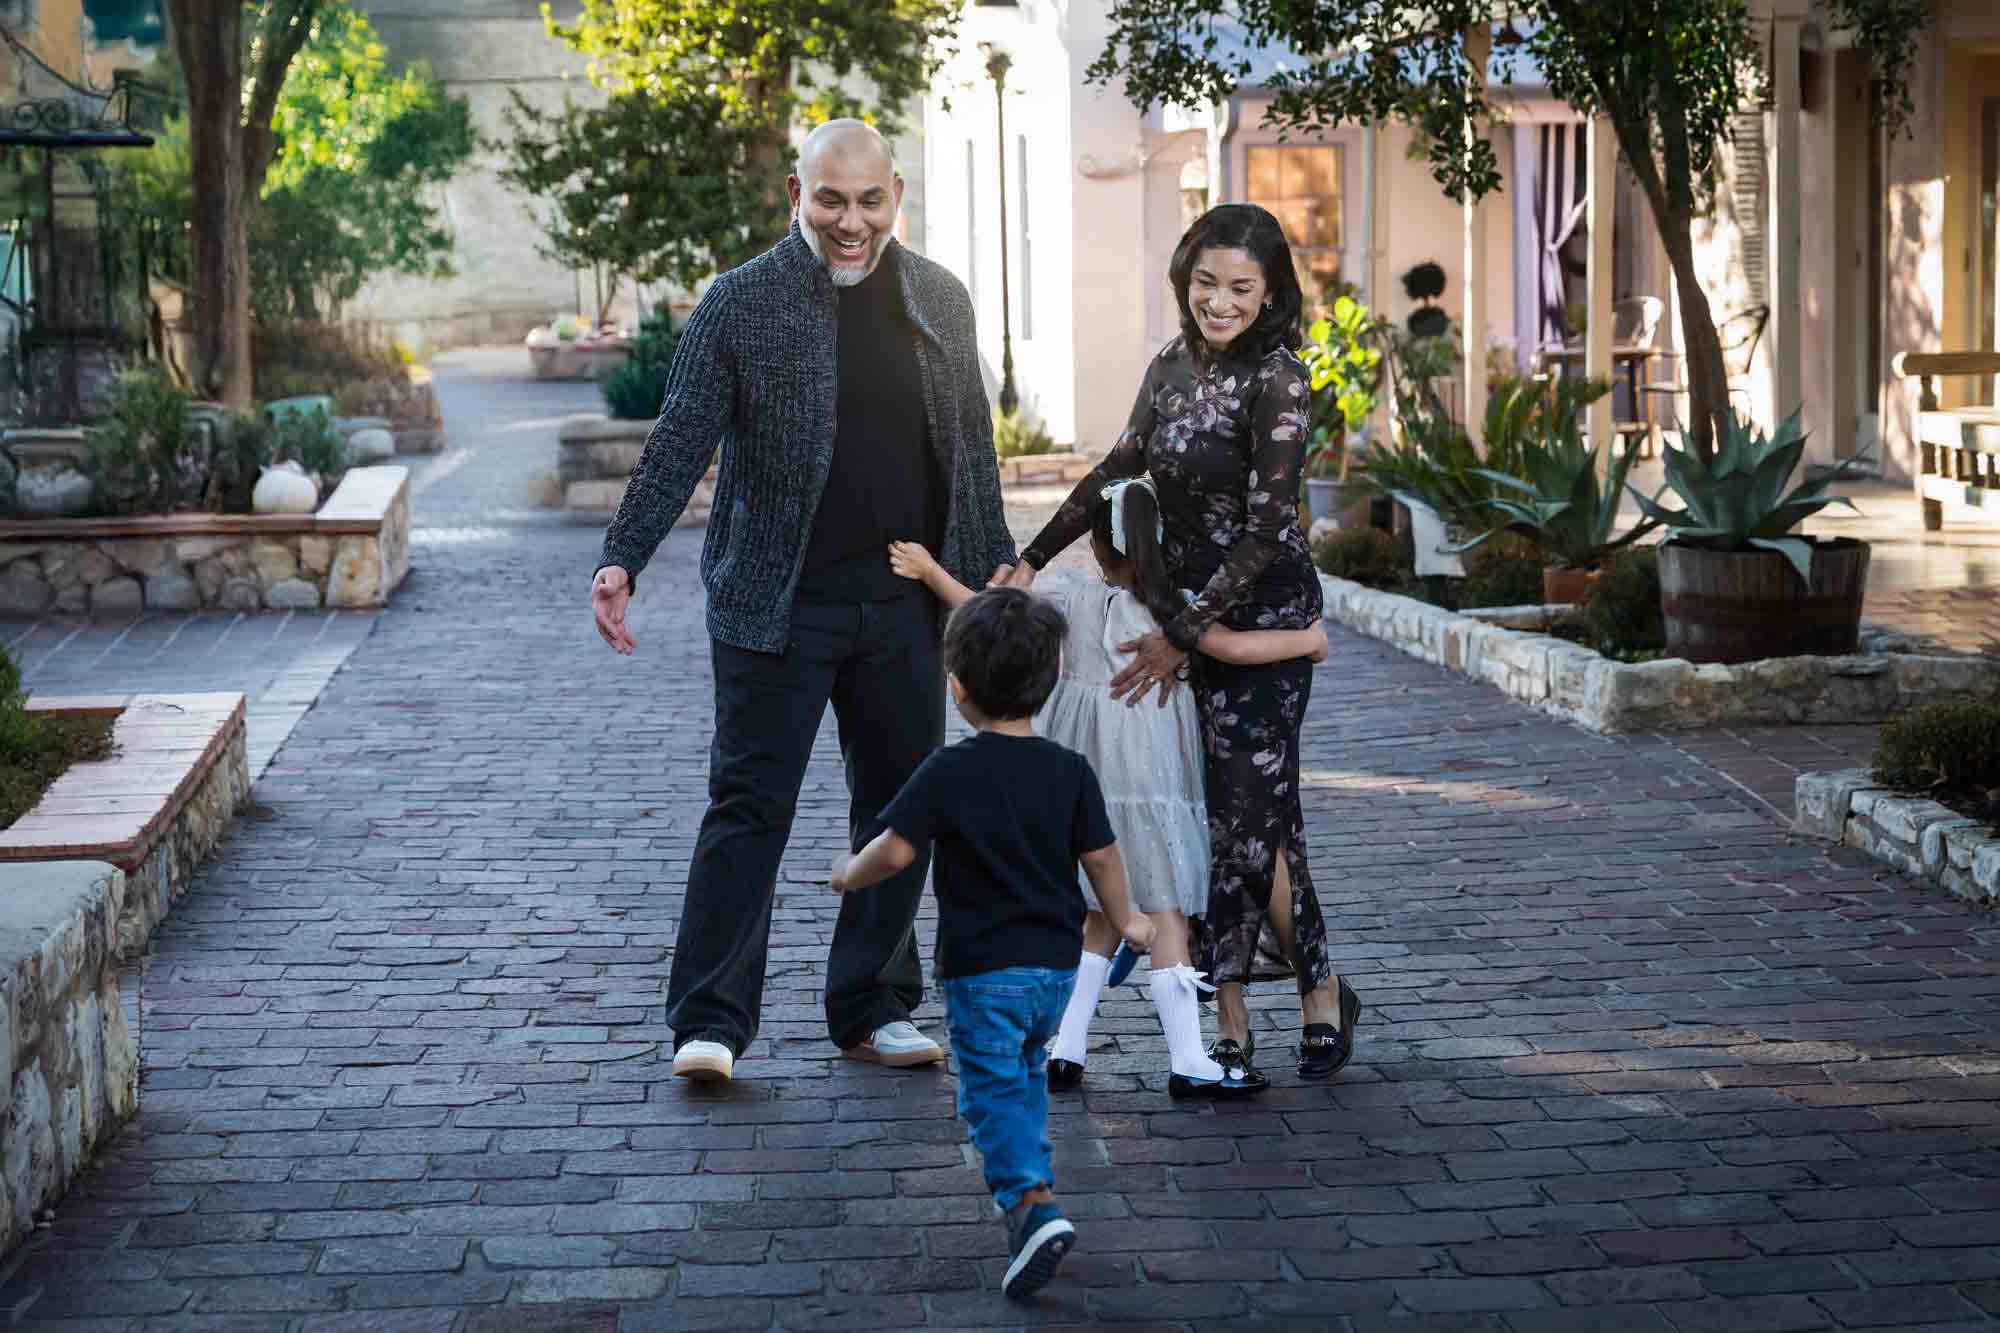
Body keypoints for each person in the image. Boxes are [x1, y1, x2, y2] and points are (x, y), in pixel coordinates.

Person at [589, 120, 1018, 1084]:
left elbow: (973, 452)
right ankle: (710, 1020)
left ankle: (873, 1005)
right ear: (797, 193)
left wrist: (993, 578)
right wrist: (623, 558)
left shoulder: (940, 300)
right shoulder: (741, 302)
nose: (850, 221)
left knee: (899, 809)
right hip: (773, 604)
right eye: (831, 200)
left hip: (905, 603)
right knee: (748, 807)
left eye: (869, 201)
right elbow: (680, 438)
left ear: (896, 198)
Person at [998, 203, 1362, 1083]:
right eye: (1206, 282)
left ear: (1270, 293)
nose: (1220, 301)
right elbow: (1117, 469)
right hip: (1175, 613)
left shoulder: (1279, 380)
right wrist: (1032, 557)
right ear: (1184, 279)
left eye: (1241, 286)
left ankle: (1257, 1005)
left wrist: (1187, 634)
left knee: (1247, 820)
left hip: (1256, 618)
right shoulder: (1169, 368)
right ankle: (1293, 990)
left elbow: (1272, 527)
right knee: (1227, 818)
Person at [888, 478, 1327, 1100]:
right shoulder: (1180, 612)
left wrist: (931, 571)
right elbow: (1234, 646)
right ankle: (1190, 1061)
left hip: (1091, 788)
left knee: (1098, 917)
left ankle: (1064, 1050)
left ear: (1098, 549)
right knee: (1166, 913)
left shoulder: (1073, 603)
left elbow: (988, 617)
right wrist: (1310, 641)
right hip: (1154, 788)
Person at [831, 588, 1155, 1299]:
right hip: (1054, 972)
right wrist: (1127, 921)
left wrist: (847, 873)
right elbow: (1102, 858)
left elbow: (892, 851)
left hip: (984, 971)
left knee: (988, 1091)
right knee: (1025, 1074)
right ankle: (1033, 1178)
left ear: (958, 686)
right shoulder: (1070, 770)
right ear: (1047, 682)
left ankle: (1030, 1203)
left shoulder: (949, 769)